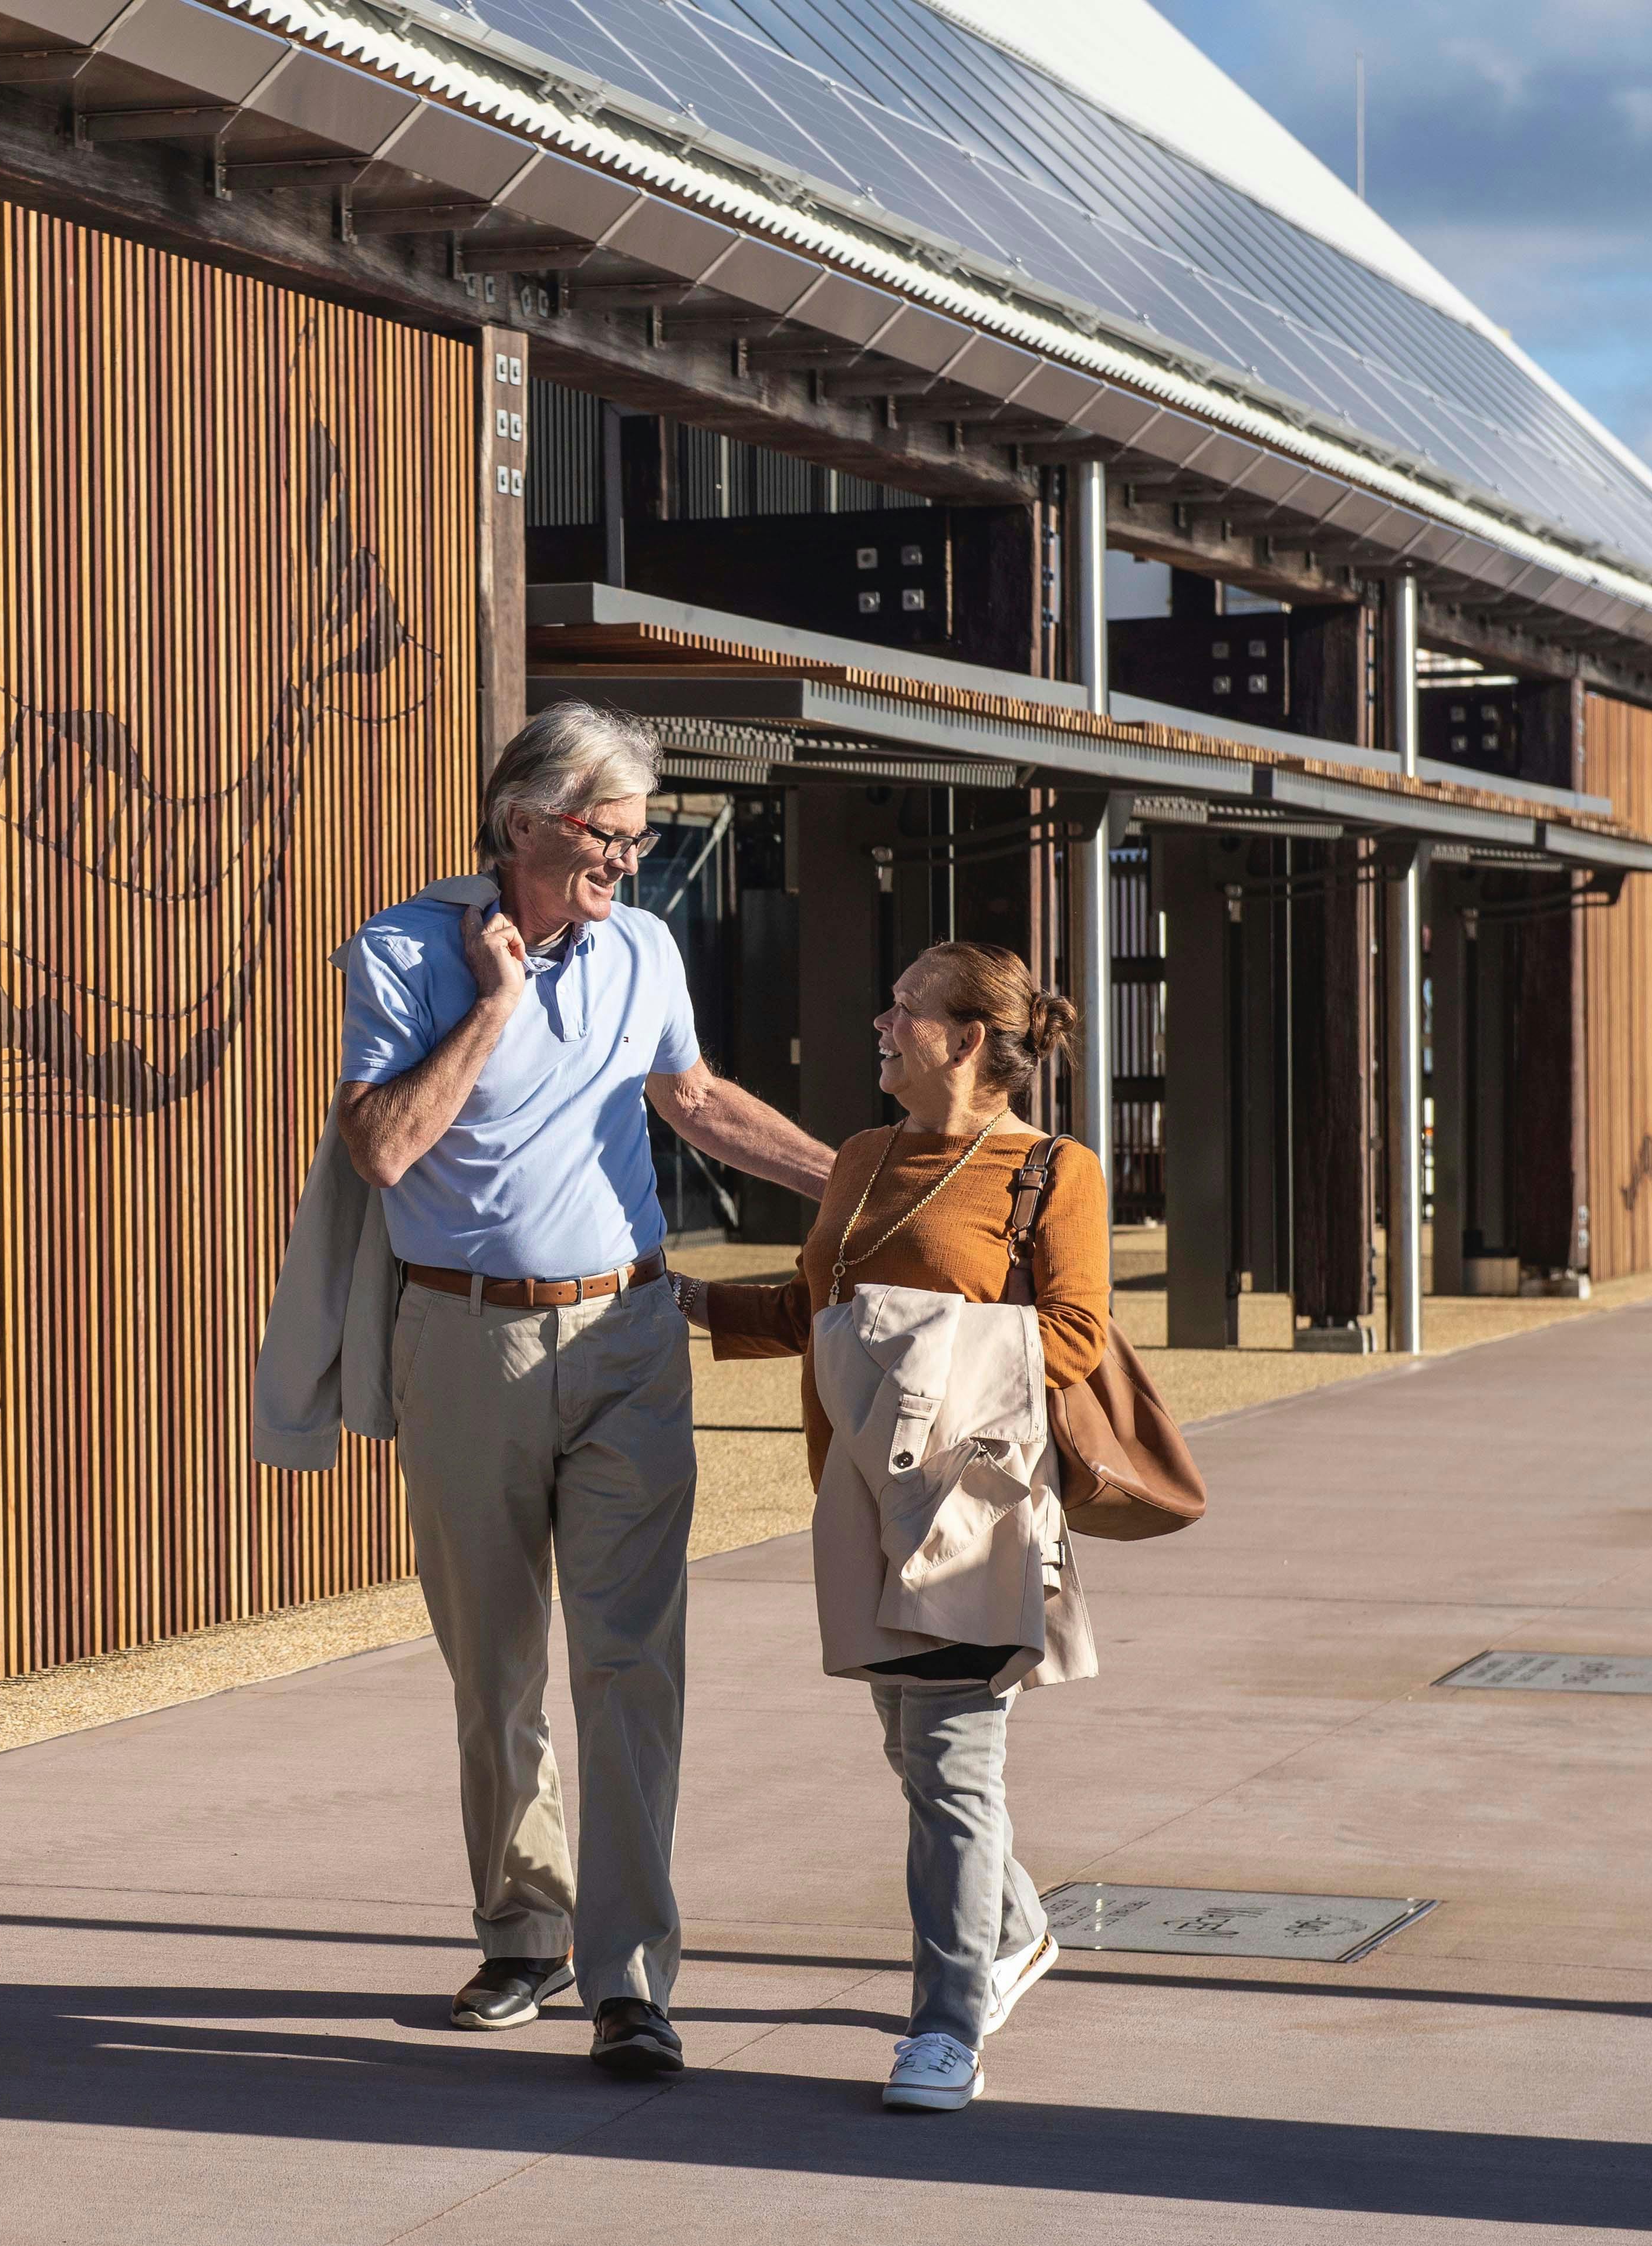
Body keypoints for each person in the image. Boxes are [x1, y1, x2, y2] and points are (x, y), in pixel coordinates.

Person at [332, 703, 836, 2078]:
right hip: (461, 1345)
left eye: (636, 833)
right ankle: (520, 1934)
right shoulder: (400, 951)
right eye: (605, 832)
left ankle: (627, 1975)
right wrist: (493, 1006)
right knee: (492, 1666)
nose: (626, 856)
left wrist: (863, 1178)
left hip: (625, 1334)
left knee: (629, 1665)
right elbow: (383, 1150)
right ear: (523, 822)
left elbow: (697, 1101)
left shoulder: (646, 945)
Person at [679, 941, 1109, 2113]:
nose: (878, 1023)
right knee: (916, 1760)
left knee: (951, 1768)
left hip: (972, 1508)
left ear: (967, 1038)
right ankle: (1014, 1926)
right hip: (861, 1503)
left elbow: (1072, 1337)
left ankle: (946, 2025)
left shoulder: (1051, 1173)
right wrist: (677, 1299)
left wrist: (911, 1347)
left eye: (903, 1008)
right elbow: (816, 1306)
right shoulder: (865, 1157)